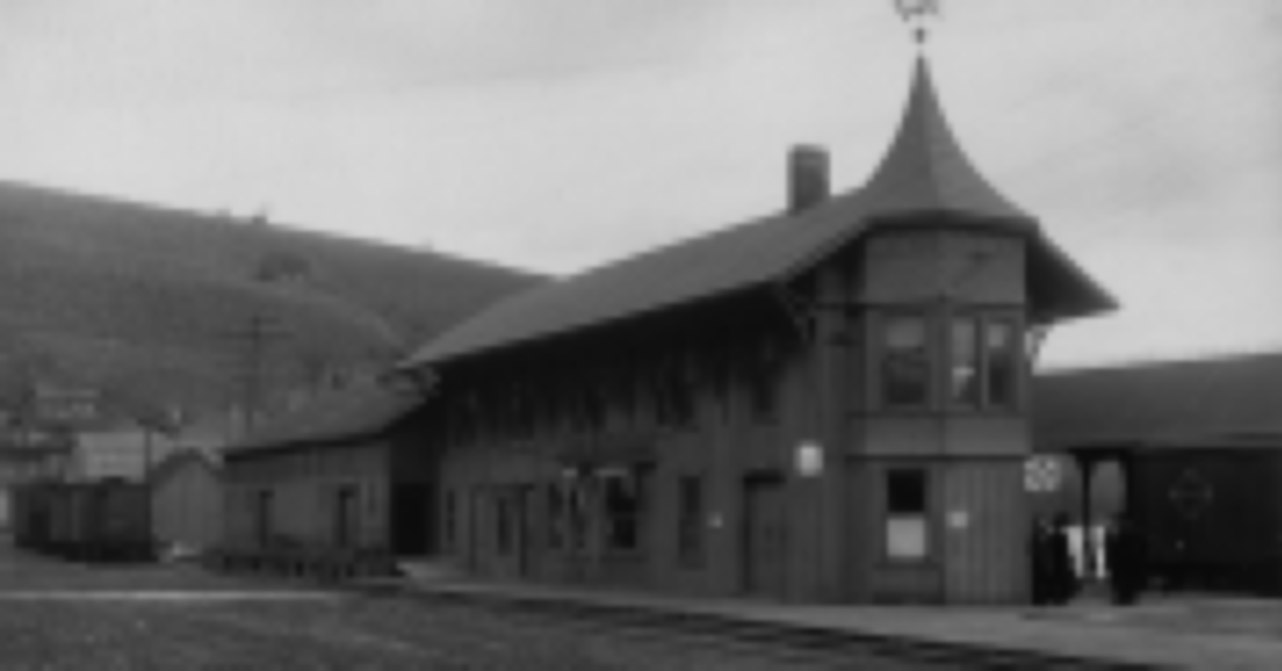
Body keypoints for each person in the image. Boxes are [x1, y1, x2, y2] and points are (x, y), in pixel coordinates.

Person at [1105, 513, 1146, 605]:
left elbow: (1116, 550)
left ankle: (1124, 597)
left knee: (1123, 581)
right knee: (1127, 581)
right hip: (1128, 563)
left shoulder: (1121, 536)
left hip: (1123, 564)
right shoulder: (1133, 536)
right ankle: (1127, 597)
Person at [1047, 513, 1078, 604]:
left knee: (1058, 580)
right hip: (1060, 563)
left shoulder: (1054, 537)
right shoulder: (1061, 537)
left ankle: (1059, 597)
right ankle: (1060, 598)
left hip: (1058, 563)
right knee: (1060, 580)